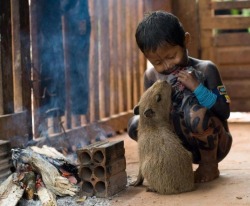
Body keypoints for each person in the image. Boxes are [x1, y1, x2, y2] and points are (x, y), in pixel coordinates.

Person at [128, 11, 233, 183]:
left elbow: (224, 110)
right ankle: (165, 166)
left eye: (171, 56)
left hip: (215, 145)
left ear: (186, 40)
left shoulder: (206, 70)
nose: (168, 65)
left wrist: (197, 88)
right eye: (158, 62)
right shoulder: (151, 77)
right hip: (175, 147)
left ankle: (209, 166)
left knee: (195, 113)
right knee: (137, 123)